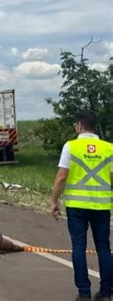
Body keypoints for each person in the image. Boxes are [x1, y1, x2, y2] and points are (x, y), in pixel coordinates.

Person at [50, 110, 112, 301]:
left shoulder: (71, 146)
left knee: (79, 246)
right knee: (103, 247)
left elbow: (62, 176)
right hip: (102, 206)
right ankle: (106, 292)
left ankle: (84, 293)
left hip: (76, 206)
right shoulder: (109, 148)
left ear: (79, 125)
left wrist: (54, 201)